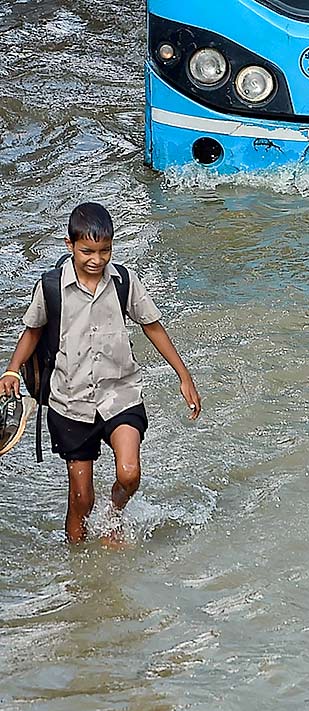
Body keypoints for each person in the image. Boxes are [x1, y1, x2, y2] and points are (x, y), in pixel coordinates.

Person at [0, 202, 201, 544]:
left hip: (120, 394)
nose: (97, 259)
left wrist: (184, 376)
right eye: (87, 251)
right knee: (81, 500)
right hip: (70, 401)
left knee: (130, 474)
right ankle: (77, 572)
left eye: (105, 251)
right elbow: (32, 332)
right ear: (70, 246)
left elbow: (153, 327)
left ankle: (114, 514)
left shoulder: (124, 282)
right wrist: (12, 370)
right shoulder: (51, 288)